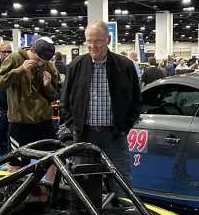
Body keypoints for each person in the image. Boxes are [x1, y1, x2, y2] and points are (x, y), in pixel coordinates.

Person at [60, 20, 142, 185]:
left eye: (98, 40)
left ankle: (120, 211)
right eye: (89, 41)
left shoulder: (125, 66)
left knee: (121, 184)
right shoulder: (75, 65)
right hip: (84, 136)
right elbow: (65, 101)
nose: (93, 45)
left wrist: (124, 127)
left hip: (115, 137)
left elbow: (135, 100)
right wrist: (74, 126)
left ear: (108, 39)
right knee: (85, 184)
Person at [0, 37, 59, 172]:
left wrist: (47, 86)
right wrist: (20, 70)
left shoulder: (48, 65)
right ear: (32, 50)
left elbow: (53, 96)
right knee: (16, 163)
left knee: (53, 161)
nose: (41, 63)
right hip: (20, 122)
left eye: (44, 61)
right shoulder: (15, 58)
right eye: (38, 59)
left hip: (44, 122)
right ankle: (14, 192)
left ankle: (47, 191)